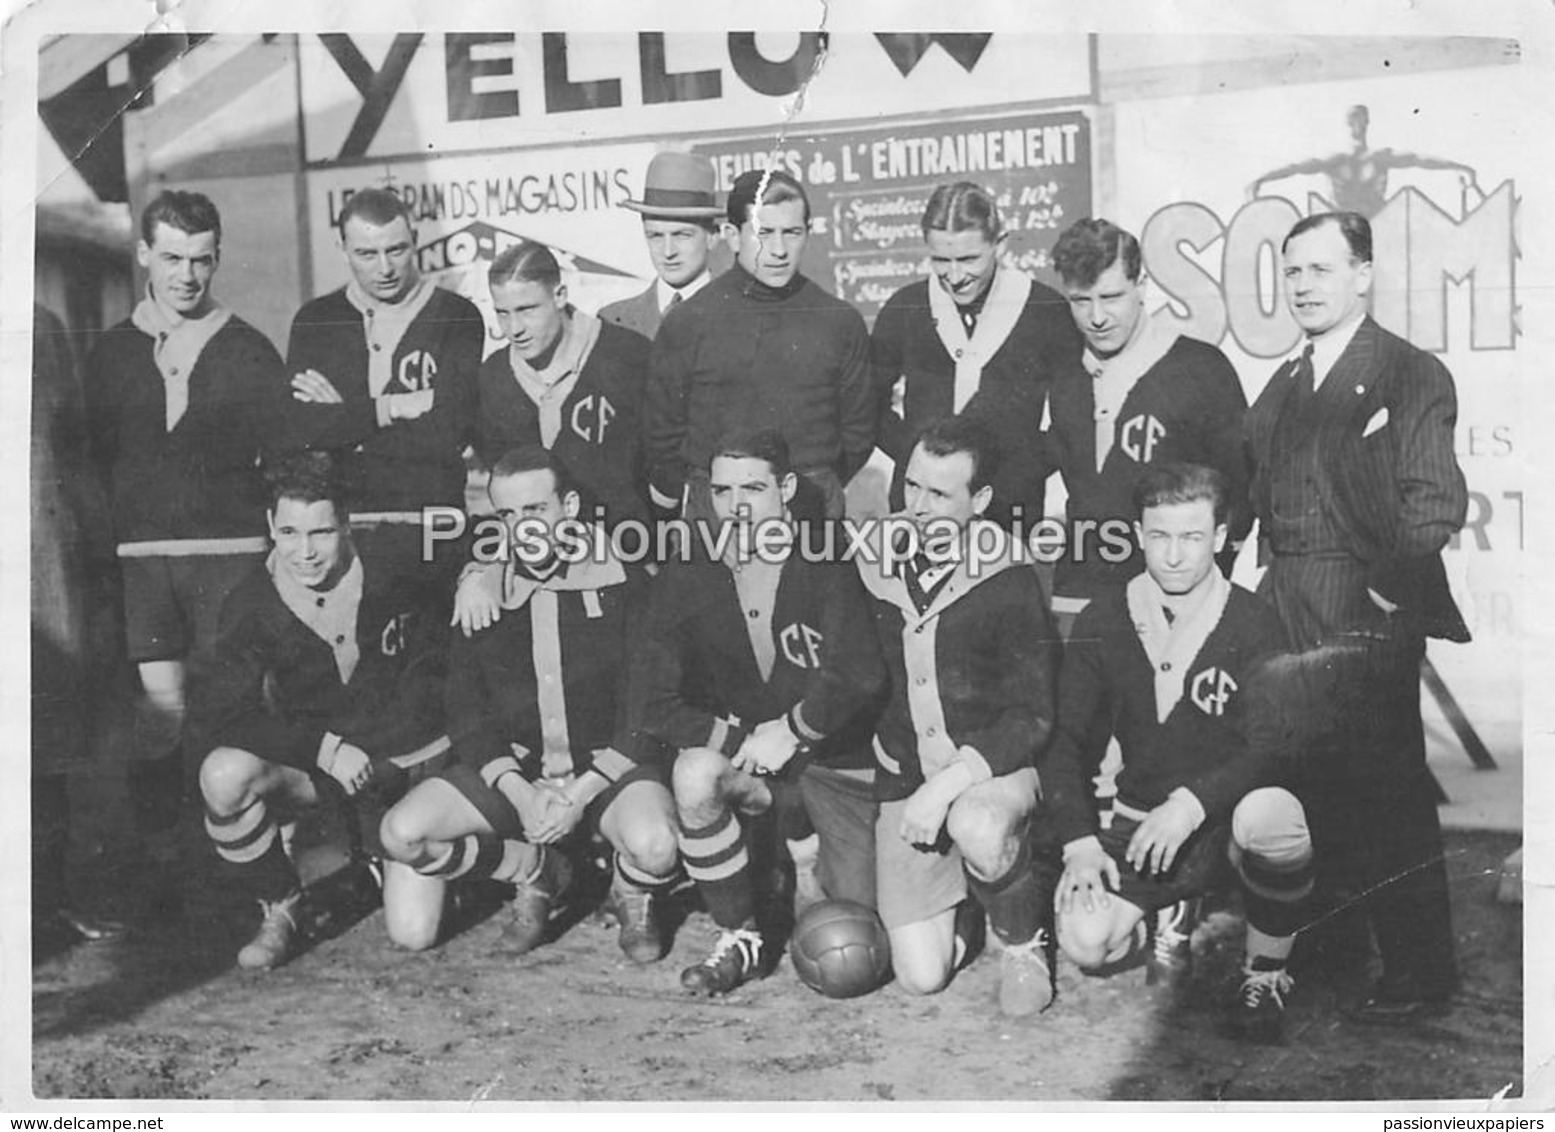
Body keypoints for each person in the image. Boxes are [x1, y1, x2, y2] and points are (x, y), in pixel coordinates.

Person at [1244, 210, 1469, 1022]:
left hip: (1364, 606)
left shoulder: (1408, 372)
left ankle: (1418, 972)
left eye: (1321, 269)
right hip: (1287, 599)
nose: (1303, 285)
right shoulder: (1285, 379)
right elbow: (1251, 491)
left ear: (1363, 274)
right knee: (1306, 782)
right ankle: (1336, 948)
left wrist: (1378, 601)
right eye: (1292, 270)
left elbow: (1433, 504)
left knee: (1387, 790)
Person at [1042, 463, 1314, 1041]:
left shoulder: (1255, 621)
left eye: (1191, 537)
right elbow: (1064, 740)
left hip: (1218, 823)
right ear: (1139, 534)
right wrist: (1079, 842)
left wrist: (1193, 803)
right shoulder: (1106, 616)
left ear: (1219, 539)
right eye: (1159, 536)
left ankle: (1264, 971)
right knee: (1087, 943)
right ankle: (1168, 914)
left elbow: (1277, 745)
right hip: (1143, 825)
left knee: (1274, 817)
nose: (1173, 555)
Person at [377, 447, 679, 961]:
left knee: (657, 847)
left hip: (602, 776)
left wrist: (581, 795)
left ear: (571, 506)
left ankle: (630, 887)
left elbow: (647, 709)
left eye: (536, 511)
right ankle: (534, 870)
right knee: (402, 842)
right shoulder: (483, 589)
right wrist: (519, 794)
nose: (524, 530)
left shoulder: (626, 581)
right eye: (509, 516)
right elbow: (467, 715)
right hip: (521, 776)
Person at [634, 429, 886, 996]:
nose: (737, 507)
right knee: (695, 773)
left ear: (787, 488)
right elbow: (655, 703)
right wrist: (748, 739)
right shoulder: (692, 567)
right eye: (723, 492)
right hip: (754, 765)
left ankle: (802, 856)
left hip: (832, 767)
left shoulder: (827, 553)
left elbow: (861, 672)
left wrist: (795, 730)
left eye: (753, 488)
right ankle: (737, 935)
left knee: (857, 928)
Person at [84, 190, 287, 849]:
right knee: (160, 718)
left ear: (217, 258)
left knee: (235, 714)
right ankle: (164, 871)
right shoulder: (110, 353)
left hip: (231, 557)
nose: (186, 275)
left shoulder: (251, 351)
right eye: (171, 257)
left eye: (201, 260)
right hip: (144, 565)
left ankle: (247, 869)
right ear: (144, 253)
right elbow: (93, 461)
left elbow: (282, 460)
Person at [192, 451, 449, 970]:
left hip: (402, 769)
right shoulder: (250, 600)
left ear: (348, 523)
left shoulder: (398, 568)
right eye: (288, 533)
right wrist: (323, 749)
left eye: (322, 534)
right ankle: (282, 904)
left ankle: (378, 865)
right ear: (269, 526)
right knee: (222, 774)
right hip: (328, 772)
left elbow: (450, 652)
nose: (304, 553)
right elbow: (228, 715)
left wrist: (477, 580)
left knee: (414, 934)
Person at [855, 417, 1061, 1017]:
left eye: (940, 494)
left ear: (981, 502)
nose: (917, 506)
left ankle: (1022, 939)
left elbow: (1032, 716)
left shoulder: (1010, 575)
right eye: (911, 486)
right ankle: (974, 899)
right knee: (921, 976)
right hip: (906, 774)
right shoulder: (873, 553)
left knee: (978, 825)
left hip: (987, 773)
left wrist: (945, 787)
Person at [279, 187, 485, 605]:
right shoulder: (317, 320)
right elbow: (298, 431)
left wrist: (343, 421)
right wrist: (394, 407)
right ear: (342, 248)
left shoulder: (457, 315)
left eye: (397, 250)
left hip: (431, 529)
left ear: (415, 238)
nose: (385, 268)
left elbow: (448, 434)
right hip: (346, 536)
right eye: (367, 254)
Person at [1046, 217, 1251, 636]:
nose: (1097, 317)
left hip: (1174, 603)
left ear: (1140, 288)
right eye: (1081, 300)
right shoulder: (1065, 375)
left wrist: (1201, 586)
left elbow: (1241, 496)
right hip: (1080, 597)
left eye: (1112, 297)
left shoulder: (1201, 369)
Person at [645, 169, 874, 523]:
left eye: (792, 233)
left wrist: (810, 487)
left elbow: (858, 433)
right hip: (716, 510)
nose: (779, 250)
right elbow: (663, 436)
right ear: (732, 236)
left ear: (807, 234)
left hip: (811, 507)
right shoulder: (688, 322)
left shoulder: (840, 322)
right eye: (763, 233)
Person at [871, 180, 1078, 531]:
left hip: (1008, 506)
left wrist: (1021, 468)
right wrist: (914, 457)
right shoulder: (905, 307)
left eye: (969, 259)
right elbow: (866, 402)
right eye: (940, 260)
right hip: (918, 506)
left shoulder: (1047, 311)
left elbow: (1073, 417)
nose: (954, 276)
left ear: (1000, 244)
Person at [33, 304, 126, 948]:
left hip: (45, 577)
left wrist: (94, 566)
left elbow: (73, 451)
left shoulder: (40, 327)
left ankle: (50, 898)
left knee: (50, 747)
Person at [471, 241, 651, 532]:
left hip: (627, 552)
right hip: (537, 559)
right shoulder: (493, 376)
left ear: (560, 295)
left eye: (527, 309)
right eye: (503, 313)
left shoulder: (628, 356)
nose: (514, 328)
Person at [1248, 105, 1482, 219]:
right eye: (1353, 123)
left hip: (1376, 226)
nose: (1357, 128)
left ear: (1367, 124)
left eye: (1361, 122)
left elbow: (1419, 160)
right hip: (1343, 231)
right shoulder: (1336, 161)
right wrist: (1263, 179)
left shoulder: (1380, 159)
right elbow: (1298, 167)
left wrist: (1459, 167)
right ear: (1347, 126)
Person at [600, 150, 723, 341]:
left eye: (682, 235)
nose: (668, 252)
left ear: (713, 237)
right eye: (656, 236)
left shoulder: (745, 314)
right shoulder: (613, 322)